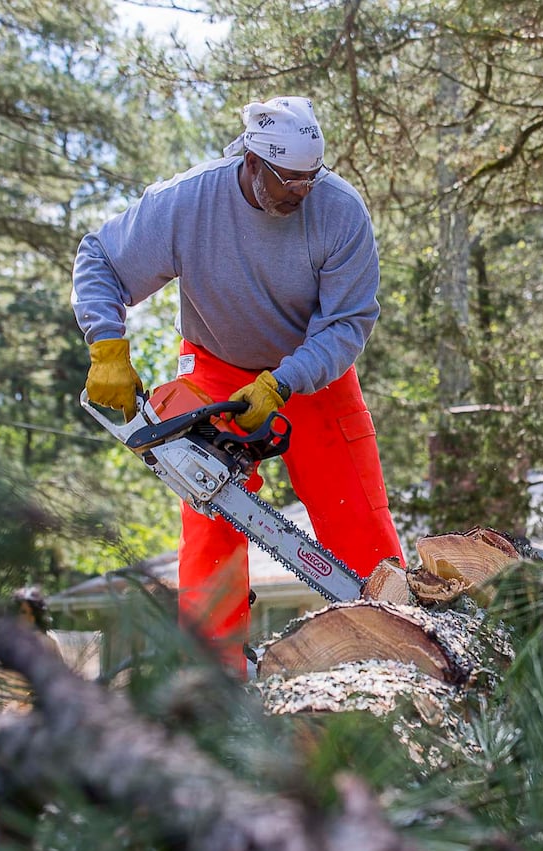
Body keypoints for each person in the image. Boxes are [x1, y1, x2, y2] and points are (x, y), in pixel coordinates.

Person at [72, 95, 404, 675]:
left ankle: (395, 650)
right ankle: (210, 675)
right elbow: (99, 256)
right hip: (215, 364)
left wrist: (284, 382)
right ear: (251, 160)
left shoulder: (339, 211)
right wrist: (107, 347)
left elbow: (349, 321)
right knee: (210, 523)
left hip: (312, 374)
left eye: (309, 179)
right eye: (287, 180)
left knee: (358, 518)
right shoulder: (187, 202)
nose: (299, 192)